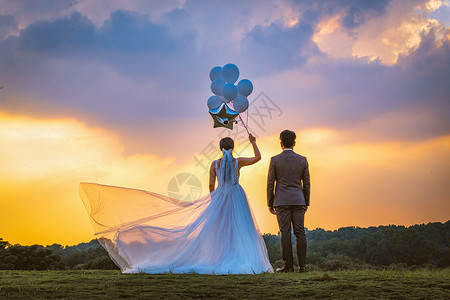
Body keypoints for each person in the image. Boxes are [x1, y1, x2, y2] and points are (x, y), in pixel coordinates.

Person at [80, 134, 273, 274]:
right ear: (233, 147)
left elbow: (210, 185)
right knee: (240, 229)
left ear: (220, 148)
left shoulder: (215, 164)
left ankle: (220, 257)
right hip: (237, 197)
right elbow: (258, 158)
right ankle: (237, 257)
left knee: (219, 231)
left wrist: (215, 200)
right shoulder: (237, 162)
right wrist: (253, 143)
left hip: (221, 198)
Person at [267, 130, 310, 272]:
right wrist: (306, 201)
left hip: (281, 201)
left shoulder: (275, 160)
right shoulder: (303, 160)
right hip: (298, 200)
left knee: (284, 233)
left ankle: (288, 266)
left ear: (281, 143)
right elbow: (307, 183)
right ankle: (302, 266)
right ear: (294, 143)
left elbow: (270, 183)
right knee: (300, 232)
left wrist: (270, 202)